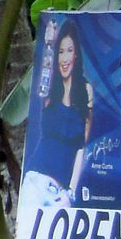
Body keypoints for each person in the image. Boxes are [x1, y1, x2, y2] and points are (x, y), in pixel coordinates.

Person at [30, 26, 94, 198]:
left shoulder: (86, 91)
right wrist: (49, 44)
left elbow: (82, 147)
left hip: (59, 192)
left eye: (69, 51)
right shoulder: (50, 89)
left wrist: (71, 192)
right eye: (61, 52)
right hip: (35, 180)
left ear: (76, 55)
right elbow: (44, 70)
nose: (64, 58)